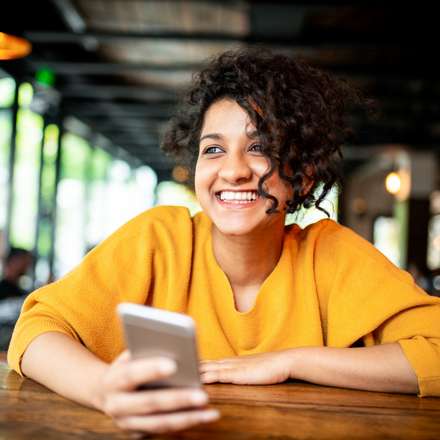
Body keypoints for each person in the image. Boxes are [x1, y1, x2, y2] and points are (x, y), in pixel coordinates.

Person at [7, 49, 440, 435]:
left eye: (260, 148)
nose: (233, 170)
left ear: (303, 177)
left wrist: (289, 360)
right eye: (213, 150)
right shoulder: (160, 237)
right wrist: (103, 390)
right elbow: (35, 332)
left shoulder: (331, 253)